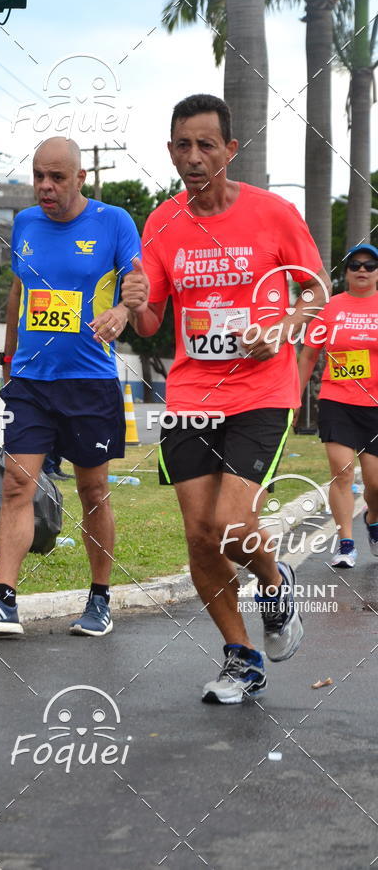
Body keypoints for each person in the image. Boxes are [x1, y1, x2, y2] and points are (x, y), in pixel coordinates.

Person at [122, 93, 330, 704]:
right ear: (170, 151)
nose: (194, 156)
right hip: (191, 393)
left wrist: (279, 330)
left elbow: (314, 292)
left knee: (234, 527)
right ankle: (241, 657)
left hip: (262, 391)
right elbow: (151, 320)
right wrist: (136, 300)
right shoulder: (161, 222)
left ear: (230, 150)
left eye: (206, 144)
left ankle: (275, 580)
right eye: (183, 145)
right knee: (199, 536)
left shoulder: (273, 214)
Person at [0, 137, 141, 638]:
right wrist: (8, 361)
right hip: (31, 381)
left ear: (80, 179)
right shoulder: (26, 223)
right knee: (17, 483)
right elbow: (19, 291)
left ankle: (100, 597)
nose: (45, 186)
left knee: (92, 490)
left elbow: (137, 284)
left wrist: (123, 310)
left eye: (57, 177)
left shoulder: (114, 222)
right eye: (39, 175)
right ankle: (3, 599)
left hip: (89, 381)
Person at [298, 244, 378, 568]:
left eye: (370, 265)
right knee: (342, 472)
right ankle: (345, 543)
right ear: (345, 273)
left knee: (375, 484)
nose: (362, 269)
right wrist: (292, 397)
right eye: (355, 264)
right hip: (337, 399)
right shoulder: (330, 309)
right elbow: (308, 356)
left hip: (374, 404)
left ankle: (371, 520)